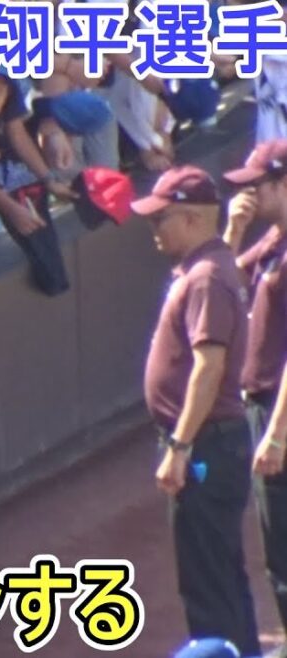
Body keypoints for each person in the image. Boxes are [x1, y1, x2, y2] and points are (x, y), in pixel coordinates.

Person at [131, 166, 260, 656]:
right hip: (213, 442)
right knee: (220, 574)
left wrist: (180, 446)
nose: (154, 230)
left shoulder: (206, 277)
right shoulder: (210, 265)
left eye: (160, 219)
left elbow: (209, 367)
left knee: (209, 585)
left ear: (191, 219)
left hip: (206, 444)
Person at [221, 139, 287, 651]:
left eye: (257, 186)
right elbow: (218, 288)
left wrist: (277, 433)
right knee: (277, 547)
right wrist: (234, 231)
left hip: (278, 410)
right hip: (263, 406)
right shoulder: (272, 241)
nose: (247, 195)